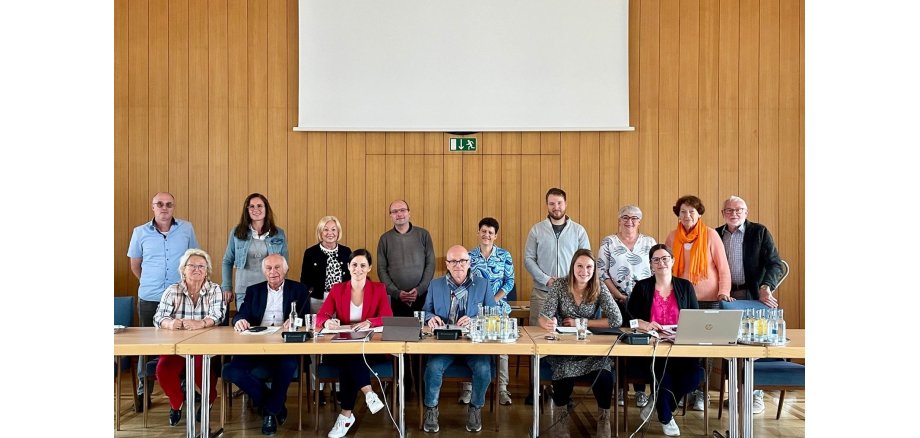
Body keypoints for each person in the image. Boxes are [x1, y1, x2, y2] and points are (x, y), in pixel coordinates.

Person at [222, 254, 309, 435]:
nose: (273, 272)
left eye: (277, 267)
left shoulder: (299, 289)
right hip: (255, 345)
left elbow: (303, 316)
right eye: (268, 268)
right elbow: (241, 313)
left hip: (285, 345)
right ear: (263, 271)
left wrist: (296, 322)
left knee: (289, 364)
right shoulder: (254, 290)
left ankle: (269, 413)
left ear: (285, 269)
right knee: (230, 370)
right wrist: (239, 320)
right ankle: (275, 405)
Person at [127, 192, 199, 411]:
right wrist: (150, 284)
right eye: (160, 204)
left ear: (173, 207)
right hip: (150, 297)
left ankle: (185, 389)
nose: (164, 208)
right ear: (153, 207)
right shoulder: (139, 232)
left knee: (183, 344)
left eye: (169, 204)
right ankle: (143, 393)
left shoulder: (186, 229)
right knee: (146, 346)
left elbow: (194, 258)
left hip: (181, 298)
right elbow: (135, 265)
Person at [539, 249, 621, 438]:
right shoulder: (560, 285)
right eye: (580, 266)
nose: (584, 271)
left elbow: (616, 319)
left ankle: (603, 419)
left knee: (604, 374)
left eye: (589, 267)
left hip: (591, 347)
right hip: (564, 348)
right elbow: (542, 317)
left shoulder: (599, 286)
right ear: (573, 267)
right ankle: (560, 418)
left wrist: (581, 323)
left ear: (594, 270)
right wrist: (548, 323)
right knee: (563, 373)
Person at [715, 195, 785, 415]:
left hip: (754, 295)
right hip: (724, 297)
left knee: (753, 345)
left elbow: (775, 263)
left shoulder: (759, 232)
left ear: (746, 212)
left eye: (739, 210)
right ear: (723, 213)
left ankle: (754, 394)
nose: (734, 214)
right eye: (729, 210)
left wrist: (767, 286)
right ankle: (732, 393)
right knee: (726, 346)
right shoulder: (716, 234)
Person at [421, 245, 498, 434]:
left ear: (469, 262)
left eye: (462, 261)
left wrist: (474, 321)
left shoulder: (483, 284)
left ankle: (475, 408)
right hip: (444, 343)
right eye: (453, 261)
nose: (458, 265)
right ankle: (431, 409)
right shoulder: (435, 285)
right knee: (432, 368)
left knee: (483, 369)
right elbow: (425, 311)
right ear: (447, 264)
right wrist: (431, 318)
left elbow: (495, 315)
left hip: (472, 344)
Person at [627, 244, 702, 437]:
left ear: (673, 261)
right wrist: (642, 323)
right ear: (651, 265)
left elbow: (695, 318)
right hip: (652, 347)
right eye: (656, 260)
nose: (661, 263)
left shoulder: (685, 286)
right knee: (663, 375)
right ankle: (666, 417)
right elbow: (628, 318)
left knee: (695, 376)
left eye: (665, 258)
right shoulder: (642, 287)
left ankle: (656, 402)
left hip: (680, 346)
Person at [316, 249, 393, 438]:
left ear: (369, 268)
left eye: (363, 265)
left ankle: (346, 416)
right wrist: (327, 322)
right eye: (354, 265)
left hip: (369, 348)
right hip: (344, 345)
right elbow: (321, 316)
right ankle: (369, 393)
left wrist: (370, 322)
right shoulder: (338, 289)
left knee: (350, 360)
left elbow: (387, 317)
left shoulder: (379, 288)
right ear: (348, 267)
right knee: (349, 356)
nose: (358, 269)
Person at [524, 187, 590, 405]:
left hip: (571, 296)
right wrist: (546, 279)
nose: (556, 207)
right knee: (537, 341)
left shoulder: (578, 230)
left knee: (566, 342)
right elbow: (528, 260)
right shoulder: (536, 230)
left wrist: (569, 283)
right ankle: (535, 390)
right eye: (552, 204)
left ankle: (564, 392)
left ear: (566, 204)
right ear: (547, 205)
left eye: (559, 203)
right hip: (542, 292)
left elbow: (585, 260)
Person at [664, 195, 730, 410]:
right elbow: (665, 269)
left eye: (692, 211)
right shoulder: (673, 237)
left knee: (706, 351)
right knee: (683, 348)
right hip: (682, 301)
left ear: (699, 213)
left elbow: (723, 268)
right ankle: (686, 390)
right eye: (683, 211)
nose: (687, 215)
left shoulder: (711, 235)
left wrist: (723, 292)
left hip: (709, 301)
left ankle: (703, 393)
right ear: (678, 214)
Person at [152, 248, 224, 427]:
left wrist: (202, 323)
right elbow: (158, 316)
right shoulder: (172, 290)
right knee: (163, 369)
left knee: (201, 370)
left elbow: (218, 315)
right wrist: (169, 323)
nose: (197, 269)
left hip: (205, 346)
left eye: (202, 266)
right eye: (192, 266)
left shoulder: (214, 289)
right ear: (183, 269)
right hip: (176, 346)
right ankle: (176, 404)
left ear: (207, 270)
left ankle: (208, 399)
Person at [596, 205, 656, 408]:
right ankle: (620, 388)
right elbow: (601, 272)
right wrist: (618, 295)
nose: (629, 221)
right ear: (619, 220)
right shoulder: (609, 242)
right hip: (616, 300)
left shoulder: (649, 242)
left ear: (639, 221)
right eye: (625, 217)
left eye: (634, 218)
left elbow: (655, 271)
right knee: (618, 343)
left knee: (640, 343)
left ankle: (640, 390)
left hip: (643, 301)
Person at [467, 217, 515, 405]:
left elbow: (509, 282)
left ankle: (502, 388)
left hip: (499, 309)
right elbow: (465, 282)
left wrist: (492, 300)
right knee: (471, 347)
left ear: (496, 236)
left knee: (502, 350)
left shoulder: (504, 256)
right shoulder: (469, 257)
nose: (486, 235)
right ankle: (468, 388)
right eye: (483, 231)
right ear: (478, 232)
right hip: (474, 310)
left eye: (490, 232)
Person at [222, 193, 288, 310]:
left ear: (266, 209)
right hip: (244, 289)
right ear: (247, 210)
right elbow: (227, 261)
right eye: (251, 206)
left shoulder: (278, 233)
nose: (255, 209)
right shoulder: (237, 232)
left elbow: (284, 265)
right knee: (245, 324)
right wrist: (227, 287)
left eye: (259, 206)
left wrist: (281, 288)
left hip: (270, 289)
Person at [377, 199, 435, 317]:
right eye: (395, 211)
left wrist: (420, 289)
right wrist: (396, 292)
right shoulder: (385, 239)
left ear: (409, 213)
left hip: (422, 295)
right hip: (396, 298)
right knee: (398, 333)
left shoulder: (423, 235)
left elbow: (430, 263)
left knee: (423, 332)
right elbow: (381, 269)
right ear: (390, 216)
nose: (399, 214)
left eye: (402, 210)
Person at [301, 216, 352, 314]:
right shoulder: (310, 253)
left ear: (338, 232)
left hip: (341, 298)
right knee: (319, 326)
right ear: (320, 232)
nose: (330, 233)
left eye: (333, 229)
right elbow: (304, 280)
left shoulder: (346, 251)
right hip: (318, 299)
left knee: (339, 327)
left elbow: (351, 277)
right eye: (326, 229)